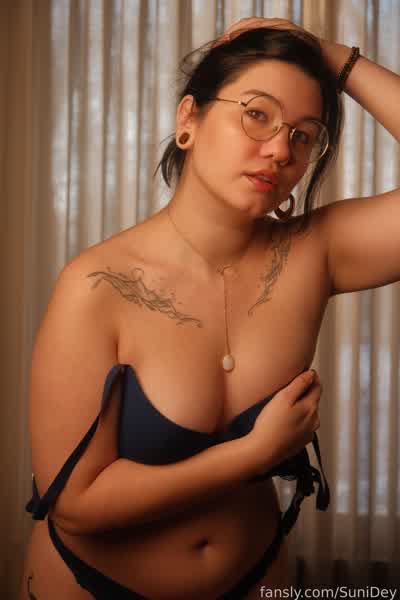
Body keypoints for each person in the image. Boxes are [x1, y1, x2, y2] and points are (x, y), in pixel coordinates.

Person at [19, 16, 358, 600]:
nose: (280, 149)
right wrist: (255, 452)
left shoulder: (314, 253)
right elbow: (77, 504)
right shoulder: (96, 286)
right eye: (257, 114)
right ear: (188, 119)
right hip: (94, 585)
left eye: (304, 135)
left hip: (259, 579)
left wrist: (332, 57)